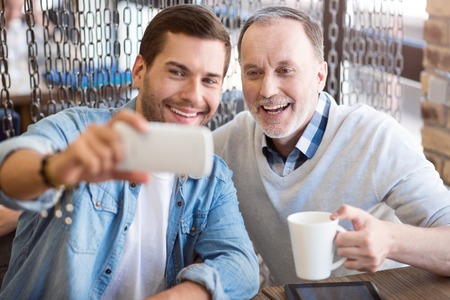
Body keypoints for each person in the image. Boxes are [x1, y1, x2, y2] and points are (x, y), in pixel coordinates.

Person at [0, 5, 259, 299]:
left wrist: (178, 295)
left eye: (209, 80)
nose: (193, 96)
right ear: (139, 71)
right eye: (177, 72)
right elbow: (8, 170)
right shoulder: (79, 131)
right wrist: (56, 168)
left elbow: (241, 266)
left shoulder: (212, 178)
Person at [213, 5, 450, 285]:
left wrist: (391, 240)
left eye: (285, 70)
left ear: (320, 76)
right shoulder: (230, 143)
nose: (267, 90)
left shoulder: (375, 137)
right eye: (253, 73)